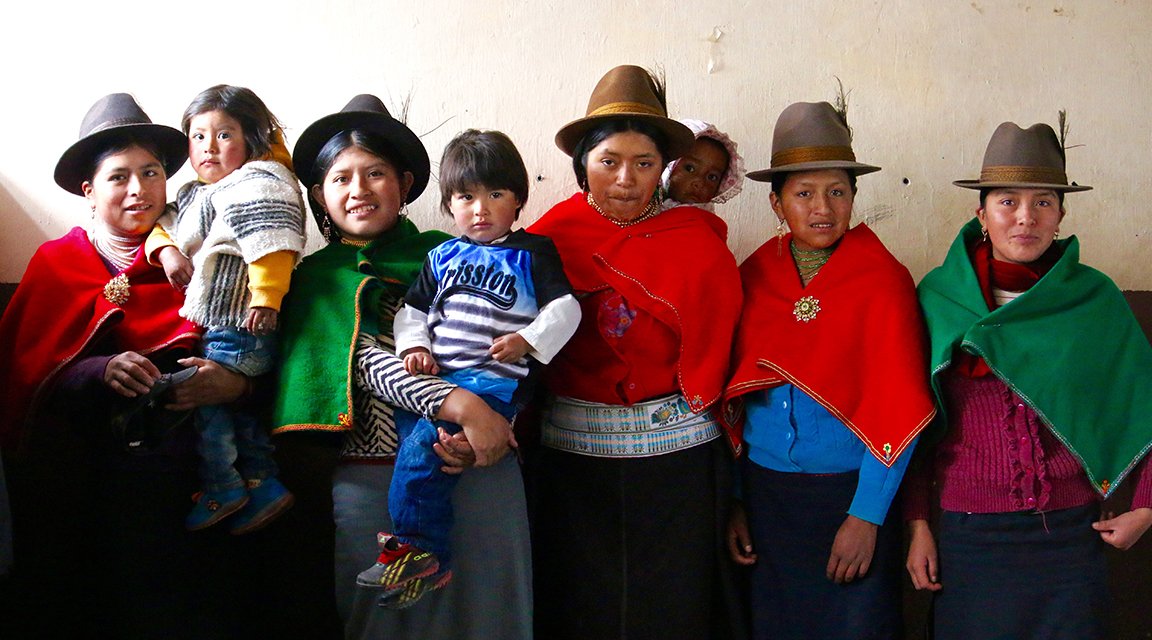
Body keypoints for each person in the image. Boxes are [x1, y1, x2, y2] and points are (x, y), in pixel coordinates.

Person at [273, 95, 532, 639]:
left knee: (489, 612)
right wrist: (458, 405)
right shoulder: (312, 279)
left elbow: (514, 344)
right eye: (341, 178)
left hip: (480, 465)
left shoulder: (455, 253)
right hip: (372, 483)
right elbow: (365, 361)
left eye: (375, 173)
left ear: (406, 183)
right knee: (385, 620)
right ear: (320, 194)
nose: (359, 190)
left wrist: (490, 425)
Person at [0, 93, 256, 639]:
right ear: (89, 193)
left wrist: (231, 385)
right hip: (94, 488)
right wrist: (99, 370)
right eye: (120, 177)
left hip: (204, 480)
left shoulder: (206, 260)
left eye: (151, 173)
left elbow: (254, 348)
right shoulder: (58, 264)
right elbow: (26, 376)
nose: (139, 190)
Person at [904, 119, 1152, 639]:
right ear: (981, 213)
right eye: (1007, 201)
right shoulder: (938, 299)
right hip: (968, 533)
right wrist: (919, 523)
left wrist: (1147, 505)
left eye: (1043, 202)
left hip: (1071, 534)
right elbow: (917, 424)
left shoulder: (1094, 300)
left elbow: (1143, 405)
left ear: (1061, 214)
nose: (1025, 217)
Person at [527, 65, 745, 640]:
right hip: (574, 467)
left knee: (675, 606)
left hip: (680, 466)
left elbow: (723, 349)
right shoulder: (545, 241)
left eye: (644, 164)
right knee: (581, 605)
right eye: (609, 162)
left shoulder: (697, 241)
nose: (625, 180)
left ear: (662, 170)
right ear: (583, 166)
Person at [720, 100, 936, 640]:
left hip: (851, 496)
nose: (822, 207)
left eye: (837, 191)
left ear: (854, 198)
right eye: (803, 193)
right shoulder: (754, 279)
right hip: (768, 499)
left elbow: (897, 409)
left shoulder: (884, 282)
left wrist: (867, 517)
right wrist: (740, 502)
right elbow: (740, 402)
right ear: (776, 202)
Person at [357, 129, 579, 607]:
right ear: (448, 204)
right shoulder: (441, 256)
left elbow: (567, 309)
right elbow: (411, 313)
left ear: (518, 199)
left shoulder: (533, 253)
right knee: (429, 452)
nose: (480, 209)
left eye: (495, 194)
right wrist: (413, 347)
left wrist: (527, 339)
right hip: (440, 382)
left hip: (493, 382)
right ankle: (425, 568)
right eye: (466, 196)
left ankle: (421, 552)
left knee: (422, 453)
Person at [148, 84, 305, 533]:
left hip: (242, 320)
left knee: (207, 400)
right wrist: (167, 254)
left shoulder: (259, 182)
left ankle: (223, 484)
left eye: (224, 134)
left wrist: (266, 298)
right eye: (198, 136)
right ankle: (262, 483)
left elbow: (272, 244)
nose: (208, 147)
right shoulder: (200, 192)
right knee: (235, 410)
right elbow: (164, 225)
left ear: (252, 138)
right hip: (229, 322)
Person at [661, 118, 745, 210]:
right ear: (667, 166)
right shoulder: (647, 207)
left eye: (712, 177)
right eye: (689, 168)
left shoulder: (706, 221)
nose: (699, 183)